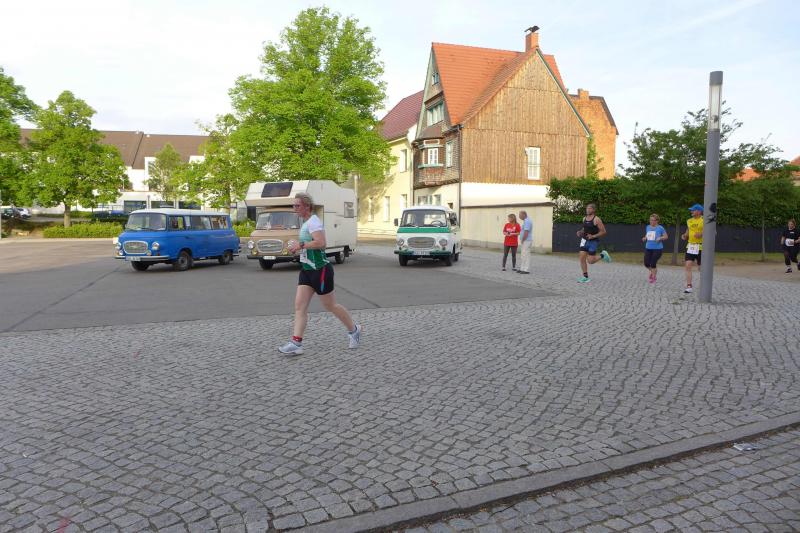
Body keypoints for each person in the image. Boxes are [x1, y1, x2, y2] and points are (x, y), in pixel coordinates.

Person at [278, 192, 361, 355]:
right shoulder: (306, 222)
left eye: (297, 205)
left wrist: (301, 245)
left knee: (330, 305)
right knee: (299, 306)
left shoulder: (314, 222)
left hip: (321, 270)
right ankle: (296, 343)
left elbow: (321, 243)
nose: (294, 208)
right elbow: (308, 245)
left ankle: (354, 330)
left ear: (307, 206)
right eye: (293, 205)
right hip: (307, 270)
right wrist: (297, 247)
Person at [576, 203, 611, 282]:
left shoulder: (597, 219)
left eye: (590, 208)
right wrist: (580, 232)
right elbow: (584, 229)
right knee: (582, 259)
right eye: (587, 208)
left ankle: (603, 255)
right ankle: (585, 277)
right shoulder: (584, 218)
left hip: (593, 242)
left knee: (590, 261)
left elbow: (603, 232)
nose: (587, 210)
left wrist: (593, 236)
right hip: (584, 241)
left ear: (594, 210)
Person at [681, 203, 704, 293]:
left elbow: (713, 232)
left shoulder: (704, 220)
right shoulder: (689, 221)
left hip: (701, 246)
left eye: (693, 210)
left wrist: (701, 234)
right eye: (691, 210)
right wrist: (685, 235)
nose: (691, 211)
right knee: (688, 265)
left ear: (699, 211)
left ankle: (704, 285)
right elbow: (688, 231)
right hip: (691, 246)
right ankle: (689, 286)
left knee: (701, 268)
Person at [642, 213, 668, 283]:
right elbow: (647, 235)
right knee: (646, 263)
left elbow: (666, 236)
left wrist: (660, 238)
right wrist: (645, 238)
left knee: (653, 263)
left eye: (653, 220)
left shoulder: (660, 228)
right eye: (650, 220)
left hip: (657, 249)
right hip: (648, 248)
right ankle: (653, 272)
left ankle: (653, 277)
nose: (651, 222)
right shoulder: (648, 227)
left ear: (657, 221)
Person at [517, 210, 533, 274]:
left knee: (525, 255)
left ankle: (526, 270)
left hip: (526, 240)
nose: (519, 216)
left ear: (524, 214)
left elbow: (526, 232)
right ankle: (522, 268)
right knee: (523, 255)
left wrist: (523, 240)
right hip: (526, 240)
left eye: (520, 215)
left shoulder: (527, 221)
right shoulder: (526, 221)